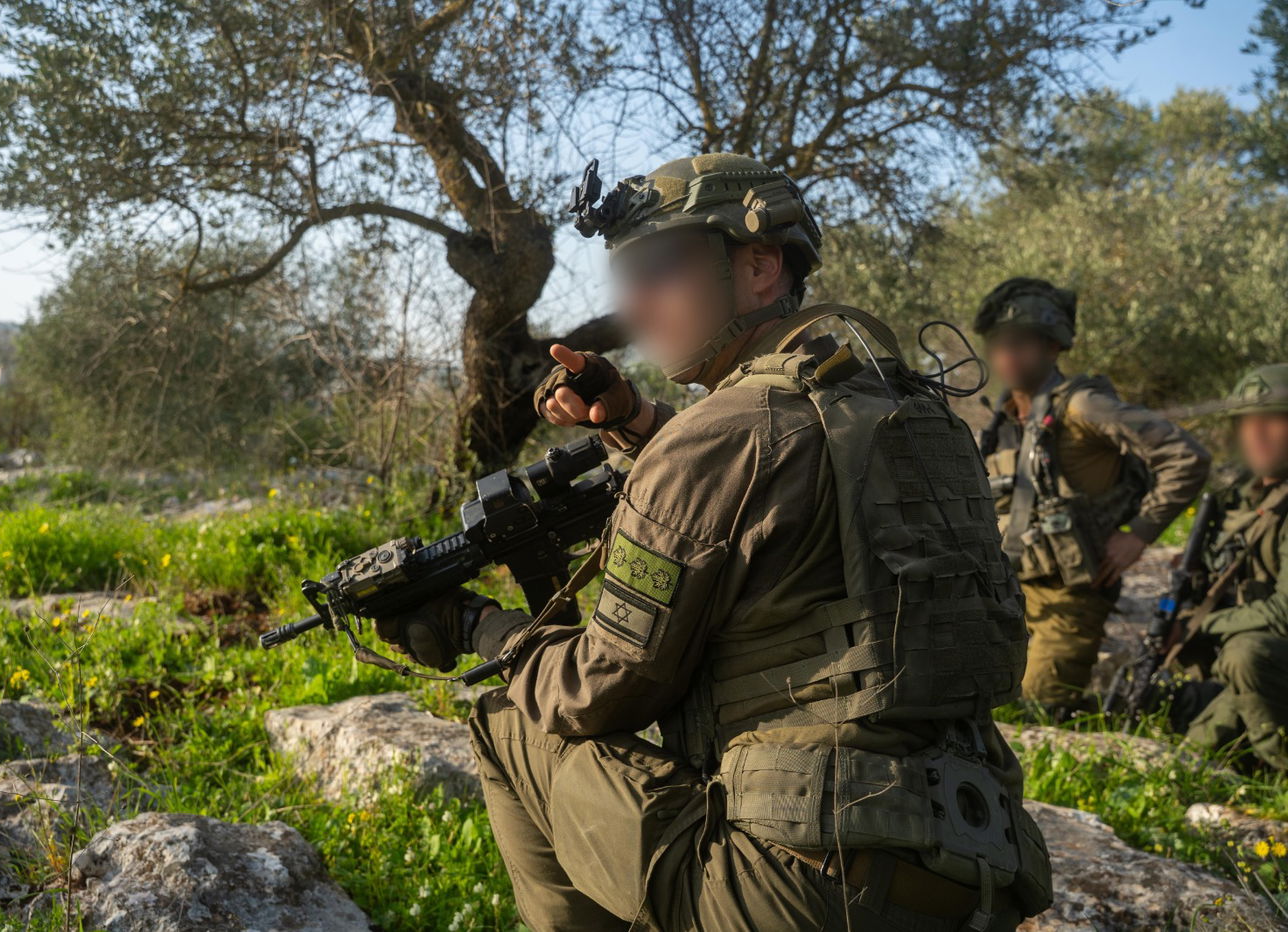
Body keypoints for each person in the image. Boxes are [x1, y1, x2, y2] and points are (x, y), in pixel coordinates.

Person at [377, 154, 1052, 930]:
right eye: (625, 278)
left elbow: (594, 694)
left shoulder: (720, 437)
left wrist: (478, 627)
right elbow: (779, 484)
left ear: (761, 267)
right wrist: (638, 424)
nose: (634, 304)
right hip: (971, 867)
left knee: (512, 722)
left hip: (804, 894)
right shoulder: (905, 411)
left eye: (660, 269)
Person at [975, 278, 1210, 715]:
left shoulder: (1082, 406)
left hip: (1069, 596)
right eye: (1000, 343)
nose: (1008, 354)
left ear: (1053, 347)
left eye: (1021, 343)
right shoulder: (1003, 419)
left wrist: (1139, 534)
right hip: (1005, 592)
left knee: (1038, 711)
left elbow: (1187, 457)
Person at [1181, 364, 1288, 769]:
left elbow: (1284, 613)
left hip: (1264, 655)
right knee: (1193, 753)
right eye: (1246, 423)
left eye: (1271, 421)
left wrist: (1203, 624)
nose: (1255, 434)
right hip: (1269, 668)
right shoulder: (1246, 500)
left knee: (1245, 654)